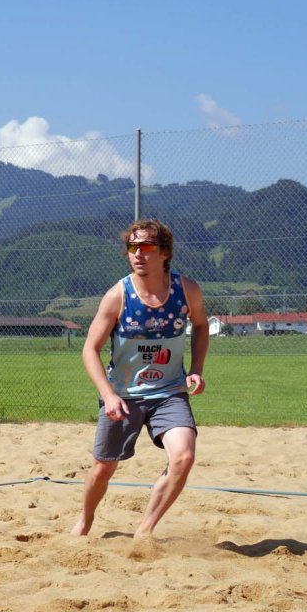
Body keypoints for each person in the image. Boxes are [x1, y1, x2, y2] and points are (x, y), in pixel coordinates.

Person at [71, 218, 209, 539]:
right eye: (132, 247)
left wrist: (197, 369)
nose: (138, 253)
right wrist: (108, 395)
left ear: (165, 253)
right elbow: (90, 350)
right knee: (104, 467)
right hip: (123, 395)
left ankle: (144, 530)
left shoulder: (187, 290)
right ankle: (85, 519)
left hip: (169, 392)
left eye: (146, 247)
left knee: (184, 457)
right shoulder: (118, 296)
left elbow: (201, 326)